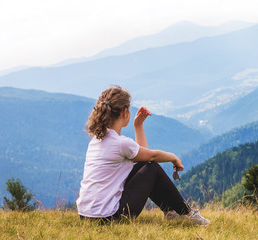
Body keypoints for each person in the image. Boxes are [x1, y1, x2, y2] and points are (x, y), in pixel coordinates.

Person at [76, 86, 209, 225]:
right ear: (125, 112)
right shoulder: (120, 143)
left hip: (85, 215)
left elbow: (143, 159)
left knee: (147, 166)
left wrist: (138, 125)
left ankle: (172, 212)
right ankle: (187, 214)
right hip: (109, 216)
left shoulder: (97, 140)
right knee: (153, 168)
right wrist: (173, 157)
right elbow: (151, 157)